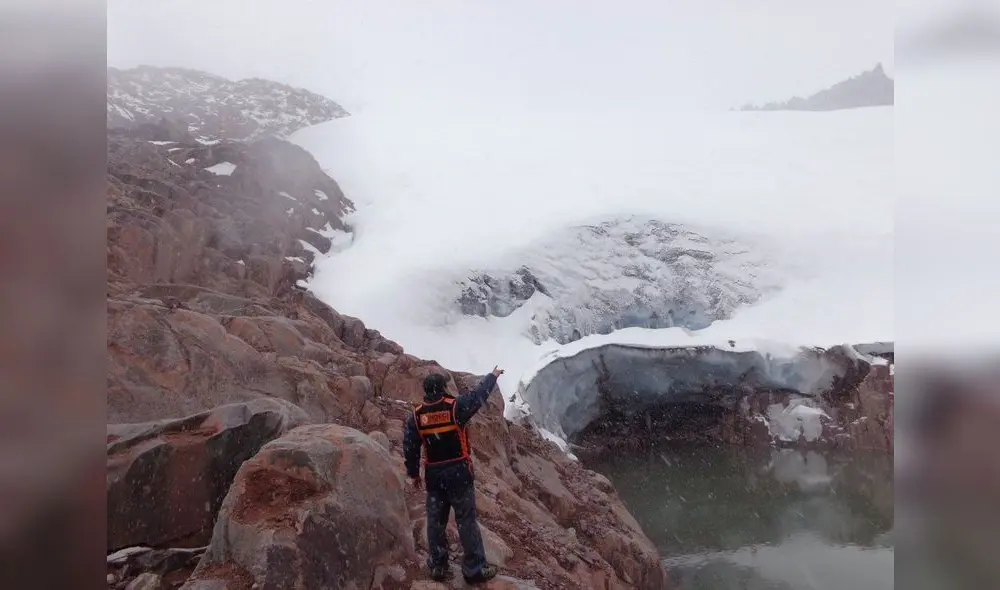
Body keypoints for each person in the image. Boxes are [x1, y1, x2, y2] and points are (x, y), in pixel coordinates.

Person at [403, 366, 504, 584]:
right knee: (466, 521)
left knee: (436, 521)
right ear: (442, 388)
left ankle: (439, 565)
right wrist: (492, 377)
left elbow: (410, 446)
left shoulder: (417, 416)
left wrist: (413, 474)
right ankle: (473, 569)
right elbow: (477, 397)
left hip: (434, 476)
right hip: (459, 473)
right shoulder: (454, 408)